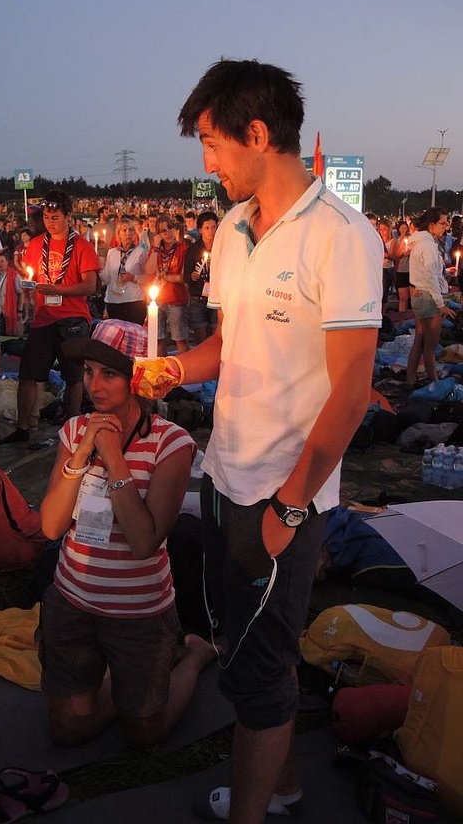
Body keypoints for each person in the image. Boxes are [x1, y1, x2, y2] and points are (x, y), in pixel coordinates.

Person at [130, 60, 383, 824]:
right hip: (224, 476)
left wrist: (295, 506)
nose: (206, 164)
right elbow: (228, 346)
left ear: (258, 134)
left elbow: (350, 393)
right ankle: (285, 788)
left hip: (283, 494)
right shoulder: (234, 232)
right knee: (244, 647)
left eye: (212, 144)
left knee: (263, 671)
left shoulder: (343, 237)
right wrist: (176, 367)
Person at [38, 318, 214, 747]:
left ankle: (192, 655)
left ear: (136, 380)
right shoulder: (76, 430)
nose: (94, 385)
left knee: (145, 736)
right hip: (72, 598)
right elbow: (50, 526)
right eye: (89, 371)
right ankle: (123, 690)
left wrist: (114, 458)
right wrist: (81, 453)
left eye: (110, 373)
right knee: (66, 731)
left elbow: (143, 542)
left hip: (139, 611)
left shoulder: (171, 444)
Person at [0, 189, 100, 445]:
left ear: (68, 216)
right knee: (28, 373)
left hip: (73, 318)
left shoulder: (81, 246)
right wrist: (25, 277)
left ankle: (72, 428)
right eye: (46, 216)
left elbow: (90, 286)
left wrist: (59, 290)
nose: (50, 222)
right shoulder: (37, 244)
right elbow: (33, 280)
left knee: (73, 376)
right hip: (43, 317)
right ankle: (23, 428)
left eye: (55, 217)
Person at [405, 207, 456, 387]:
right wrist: (440, 304)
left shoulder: (420, 243)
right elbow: (430, 276)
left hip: (420, 294)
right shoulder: (427, 245)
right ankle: (434, 382)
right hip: (428, 296)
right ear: (432, 224)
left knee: (419, 341)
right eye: (443, 223)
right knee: (430, 346)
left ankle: (410, 378)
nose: (446, 227)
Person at [144, 214, 190, 355]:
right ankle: (160, 369)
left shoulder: (183, 249)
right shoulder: (155, 249)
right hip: (157, 299)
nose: (168, 232)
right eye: (163, 230)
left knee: (180, 338)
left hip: (176, 299)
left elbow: (184, 277)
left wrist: (166, 277)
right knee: (158, 338)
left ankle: (185, 371)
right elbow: (149, 270)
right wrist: (156, 247)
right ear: (158, 234)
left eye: (170, 228)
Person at [100, 217, 147, 325]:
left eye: (131, 230)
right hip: (113, 301)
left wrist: (133, 278)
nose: (128, 233)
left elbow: (148, 278)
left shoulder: (140, 252)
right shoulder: (112, 252)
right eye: (124, 230)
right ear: (118, 233)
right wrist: (98, 268)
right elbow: (107, 278)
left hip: (133, 300)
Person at [183, 211, 218, 344]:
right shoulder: (193, 250)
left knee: (216, 336)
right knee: (201, 338)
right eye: (206, 228)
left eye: (213, 227)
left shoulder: (221, 247)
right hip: (198, 298)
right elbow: (186, 276)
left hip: (216, 297)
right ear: (200, 230)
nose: (210, 231)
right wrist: (192, 276)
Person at [389, 220, 410, 313]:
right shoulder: (397, 240)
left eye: (405, 228)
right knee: (402, 297)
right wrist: (402, 252)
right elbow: (395, 255)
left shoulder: (410, 239)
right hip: (400, 269)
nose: (404, 230)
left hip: (410, 269)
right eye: (402, 228)